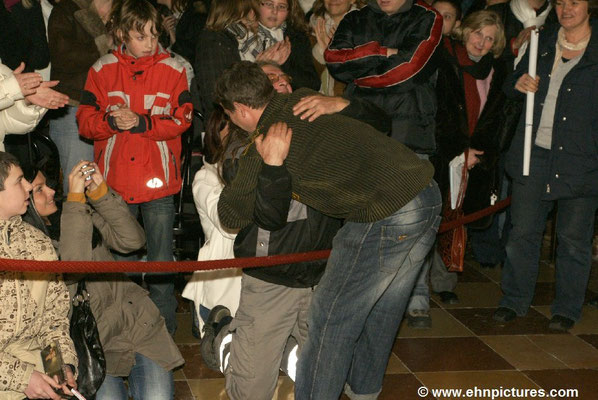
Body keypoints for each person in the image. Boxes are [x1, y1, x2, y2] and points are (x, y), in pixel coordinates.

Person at [213, 61, 441, 400]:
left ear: (242, 110)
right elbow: (383, 122)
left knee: (330, 317)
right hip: (427, 192)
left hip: (388, 210)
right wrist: (344, 103)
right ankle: (363, 391)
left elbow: (230, 213)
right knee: (385, 307)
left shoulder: (265, 143)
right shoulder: (307, 99)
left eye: (229, 115)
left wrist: (271, 165)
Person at [76, 0, 193, 335]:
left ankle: (163, 337)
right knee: (119, 268)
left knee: (160, 266)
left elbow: (183, 118)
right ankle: (119, 337)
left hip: (159, 185)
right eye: (142, 36)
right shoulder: (101, 69)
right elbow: (84, 122)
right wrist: (111, 120)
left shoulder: (174, 69)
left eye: (155, 36)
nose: (150, 43)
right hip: (115, 185)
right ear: (122, 33)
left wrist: (142, 123)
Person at [324, 0, 443, 328]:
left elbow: (411, 68)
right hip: (364, 131)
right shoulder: (355, 18)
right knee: (364, 216)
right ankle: (365, 295)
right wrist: (384, 51)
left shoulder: (428, 17)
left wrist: (362, 73)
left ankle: (416, 296)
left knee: (413, 220)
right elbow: (334, 60)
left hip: (411, 131)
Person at [21, 160, 184, 400]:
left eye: (48, 185)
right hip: (90, 346)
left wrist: (100, 193)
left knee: (157, 396)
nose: (52, 191)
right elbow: (73, 268)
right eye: (40, 189)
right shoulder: (28, 244)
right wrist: (75, 200)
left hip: (136, 325)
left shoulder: (76, 213)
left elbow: (133, 241)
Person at [493, 0, 598, 332]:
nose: (566, 8)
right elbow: (509, 85)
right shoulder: (539, 40)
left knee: (572, 239)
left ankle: (566, 308)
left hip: (582, 159)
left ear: (590, 7)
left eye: (575, 2)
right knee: (521, 233)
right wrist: (518, 83)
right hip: (532, 153)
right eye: (561, 2)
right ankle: (513, 300)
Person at [0, 151, 78, 400]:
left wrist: (58, 367)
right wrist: (22, 378)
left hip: (33, 365)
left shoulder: (38, 244)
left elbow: (54, 317)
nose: (28, 186)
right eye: (19, 181)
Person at [47, 0, 113, 196]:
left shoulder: (125, 10)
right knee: (79, 185)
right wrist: (103, 43)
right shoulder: (66, 10)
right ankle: (78, 227)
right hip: (74, 105)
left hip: (115, 106)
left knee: (111, 186)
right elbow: (63, 56)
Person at [194, 0, 260, 121]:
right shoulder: (214, 41)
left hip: (241, 116)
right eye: (252, 9)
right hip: (228, 123)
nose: (256, 14)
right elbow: (215, 96)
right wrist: (259, 67)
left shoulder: (239, 41)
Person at [256, 0, 320, 91]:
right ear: (256, 5)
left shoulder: (295, 37)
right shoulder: (239, 34)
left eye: (281, 6)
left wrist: (280, 67)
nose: (275, 11)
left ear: (289, 11)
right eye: (269, 4)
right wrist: (264, 66)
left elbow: (313, 83)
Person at [308, 0, 365, 96]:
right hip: (319, 95)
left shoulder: (365, 24)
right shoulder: (313, 24)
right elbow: (310, 74)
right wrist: (322, 51)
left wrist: (336, 54)